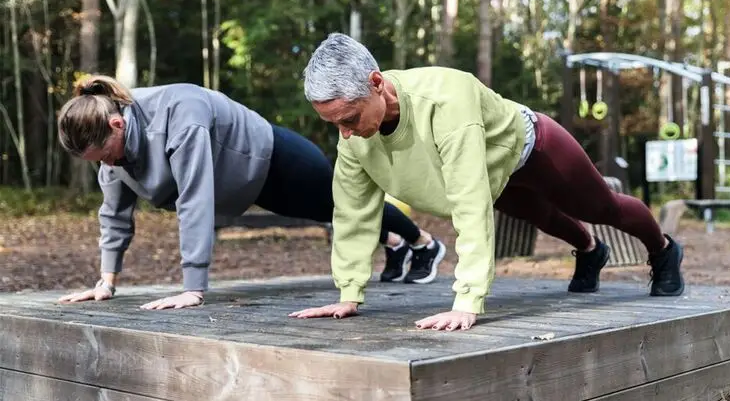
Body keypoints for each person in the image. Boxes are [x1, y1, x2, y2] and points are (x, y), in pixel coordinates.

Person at [289, 33, 685, 331]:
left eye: (350, 119)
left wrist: (468, 301)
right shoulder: (355, 141)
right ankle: (589, 249)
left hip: (532, 148)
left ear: (376, 83)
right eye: (334, 124)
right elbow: (354, 213)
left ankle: (664, 249)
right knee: (544, 218)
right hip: (496, 175)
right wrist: (349, 294)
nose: (344, 134)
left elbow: (468, 201)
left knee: (600, 208)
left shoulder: (445, 99)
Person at [55, 74, 446, 310]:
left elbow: (194, 198)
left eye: (104, 155)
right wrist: (105, 283)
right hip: (246, 184)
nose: (105, 165)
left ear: (117, 124)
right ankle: (395, 244)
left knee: (344, 204)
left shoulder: (179, 114)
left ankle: (423, 242)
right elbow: (114, 213)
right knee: (330, 212)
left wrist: (194, 289)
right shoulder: (111, 154)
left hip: (276, 157)